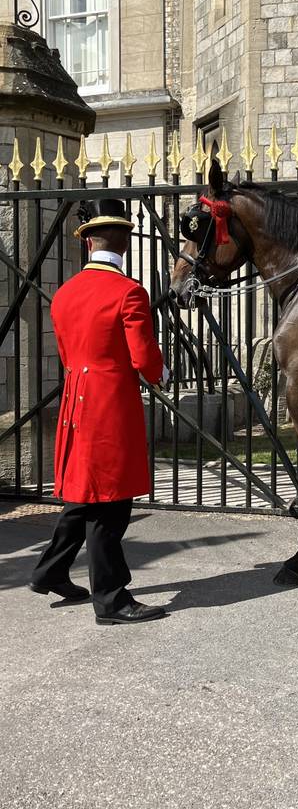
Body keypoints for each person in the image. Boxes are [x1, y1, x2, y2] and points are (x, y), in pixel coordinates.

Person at [30, 199, 169, 625]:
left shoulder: (65, 293)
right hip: (110, 402)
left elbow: (69, 352)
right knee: (110, 503)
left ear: (87, 242)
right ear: (124, 241)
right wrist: (159, 372)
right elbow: (144, 358)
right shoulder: (129, 291)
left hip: (76, 397)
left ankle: (50, 570)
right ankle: (111, 600)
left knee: (82, 495)